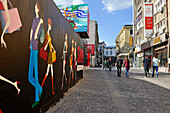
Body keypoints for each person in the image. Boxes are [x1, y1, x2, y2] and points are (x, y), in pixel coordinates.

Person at [28, 1, 43, 108]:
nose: (34, 9)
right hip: (31, 46)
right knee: (30, 77)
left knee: (36, 74)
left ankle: (37, 98)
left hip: (35, 47)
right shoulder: (34, 19)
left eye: (35, 7)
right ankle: (40, 89)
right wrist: (29, 43)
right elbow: (31, 32)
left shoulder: (40, 21)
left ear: (38, 9)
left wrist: (40, 23)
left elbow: (36, 35)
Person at [41, 18, 56, 95]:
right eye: (49, 25)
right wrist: (46, 47)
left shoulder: (49, 34)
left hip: (51, 53)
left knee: (51, 71)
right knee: (48, 72)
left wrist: (54, 49)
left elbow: (50, 44)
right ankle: (42, 87)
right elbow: (47, 44)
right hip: (49, 54)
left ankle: (52, 89)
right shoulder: (47, 34)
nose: (50, 26)